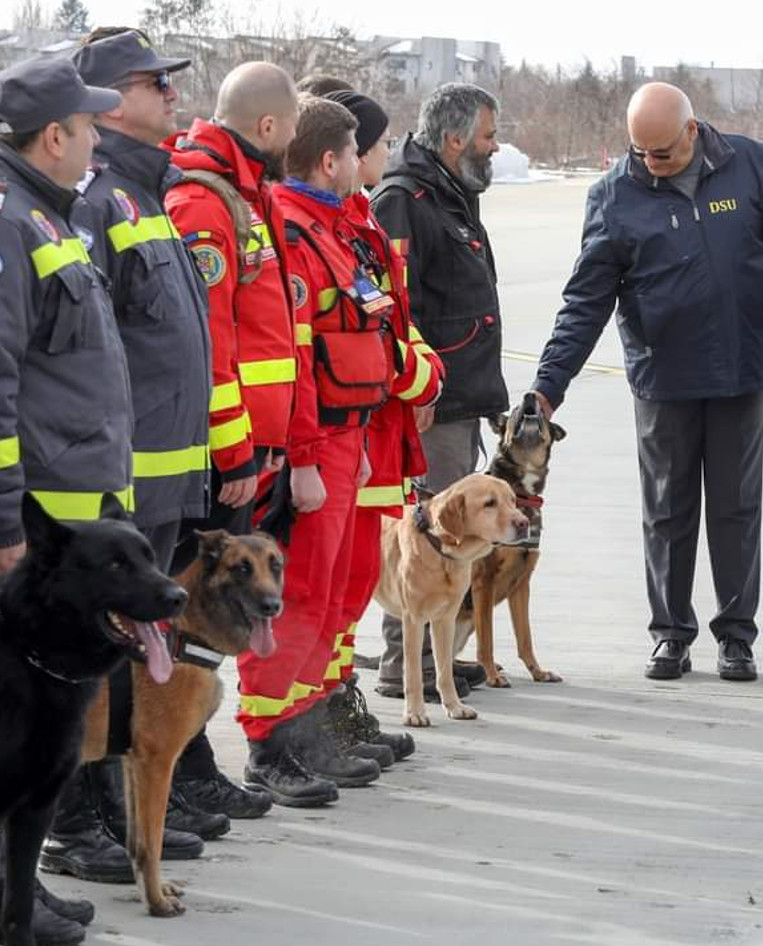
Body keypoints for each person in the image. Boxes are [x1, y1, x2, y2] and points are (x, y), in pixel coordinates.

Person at [531, 82, 763, 681]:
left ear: (692, 130)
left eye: (661, 151)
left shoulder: (750, 163)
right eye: (640, 152)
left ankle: (736, 636)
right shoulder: (614, 195)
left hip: (740, 369)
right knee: (667, 510)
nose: (649, 163)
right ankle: (671, 634)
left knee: (736, 509)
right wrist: (549, 384)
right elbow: (586, 300)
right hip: (664, 377)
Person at [43, 28, 229, 890]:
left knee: (127, 661)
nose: (173, 96)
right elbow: (87, 353)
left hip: (160, 478)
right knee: (87, 654)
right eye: (158, 83)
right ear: (111, 98)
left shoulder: (146, 193)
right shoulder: (94, 200)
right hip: (114, 482)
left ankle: (120, 814)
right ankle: (73, 823)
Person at [241, 95, 407, 807]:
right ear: (331, 158)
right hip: (316, 438)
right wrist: (305, 452)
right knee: (300, 594)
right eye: (355, 153)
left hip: (347, 432)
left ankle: (306, 726)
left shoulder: (334, 227)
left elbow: (366, 327)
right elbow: (296, 354)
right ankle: (269, 741)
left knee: (335, 591)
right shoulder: (293, 229)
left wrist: (363, 435)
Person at [0, 53, 129, 945]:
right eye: (87, 126)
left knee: (42, 730)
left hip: (72, 504)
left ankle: (25, 893)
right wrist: (8, 518)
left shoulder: (50, 212)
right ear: (55, 137)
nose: (96, 137)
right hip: (35, 518)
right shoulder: (10, 223)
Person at [163, 61, 300, 813]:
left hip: (253, 449)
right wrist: (237, 450)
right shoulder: (205, 203)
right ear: (269, 128)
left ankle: (193, 766)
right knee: (193, 621)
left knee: (214, 628)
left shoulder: (244, 194)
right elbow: (211, 342)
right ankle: (181, 772)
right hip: (224, 456)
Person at [371, 82, 508, 700]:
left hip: (459, 394)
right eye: (487, 136)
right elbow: (395, 309)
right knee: (426, 537)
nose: (495, 146)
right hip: (432, 402)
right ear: (454, 140)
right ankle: (409, 665)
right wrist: (415, 388)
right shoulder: (404, 200)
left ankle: (436, 661)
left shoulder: (451, 193)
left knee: (450, 545)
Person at [321, 89, 443, 763]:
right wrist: (412, 372)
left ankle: (336, 707)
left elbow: (390, 314)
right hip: (347, 433)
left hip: (375, 434)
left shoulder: (355, 220)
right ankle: (307, 726)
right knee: (328, 593)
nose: (388, 153)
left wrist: (421, 366)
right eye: (379, 143)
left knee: (348, 590)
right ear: (344, 155)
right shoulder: (323, 225)